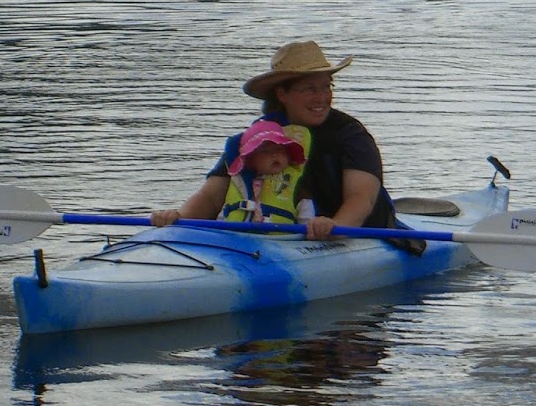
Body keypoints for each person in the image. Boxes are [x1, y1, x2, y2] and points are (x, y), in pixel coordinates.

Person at [153, 40, 419, 250]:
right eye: (310, 89)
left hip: (353, 234)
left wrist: (334, 226)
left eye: (326, 87)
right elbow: (212, 195)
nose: (322, 98)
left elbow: (361, 198)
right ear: (282, 94)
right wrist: (177, 218)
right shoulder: (260, 136)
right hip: (279, 237)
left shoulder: (351, 135)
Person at [220, 118, 310, 224]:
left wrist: (312, 227)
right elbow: (224, 214)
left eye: (280, 150)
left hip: (280, 233)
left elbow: (307, 215)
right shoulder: (238, 181)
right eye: (265, 151)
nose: (275, 154)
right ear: (250, 159)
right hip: (234, 232)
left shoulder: (299, 185)